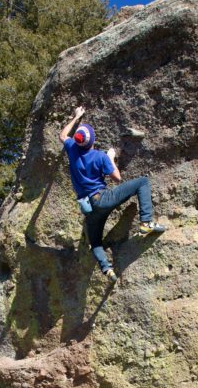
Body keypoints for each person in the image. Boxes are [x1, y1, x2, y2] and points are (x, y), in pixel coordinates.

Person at [60, 106, 165, 282]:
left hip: (88, 209)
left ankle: (107, 269)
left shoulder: (72, 149)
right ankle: (146, 222)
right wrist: (110, 158)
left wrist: (75, 117)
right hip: (102, 199)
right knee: (142, 182)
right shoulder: (99, 156)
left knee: (95, 242)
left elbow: (63, 135)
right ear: (92, 140)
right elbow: (117, 178)